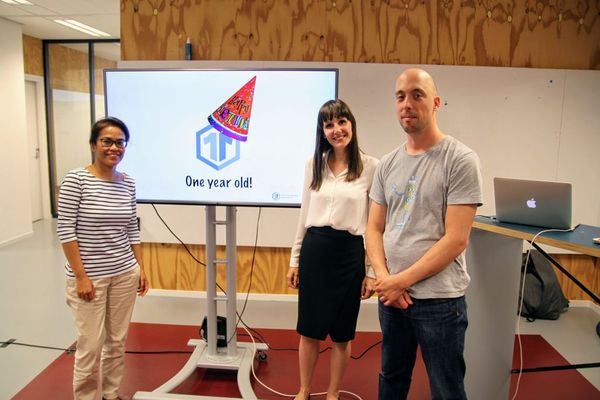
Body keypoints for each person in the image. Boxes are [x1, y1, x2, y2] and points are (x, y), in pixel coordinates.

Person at [366, 68, 483, 400]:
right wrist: (385, 277)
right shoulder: (387, 164)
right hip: (392, 298)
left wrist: (399, 281)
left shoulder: (460, 160)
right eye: (400, 96)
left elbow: (456, 239)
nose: (407, 103)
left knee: (446, 388)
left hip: (439, 301)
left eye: (417, 95)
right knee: (392, 378)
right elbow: (373, 229)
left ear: (435, 103)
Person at [287, 99, 379, 400]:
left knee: (342, 334)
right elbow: (304, 215)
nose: (337, 129)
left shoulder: (371, 167)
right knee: (309, 330)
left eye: (342, 122)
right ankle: (303, 390)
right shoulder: (312, 165)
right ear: (322, 131)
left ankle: (333, 393)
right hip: (315, 252)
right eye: (329, 124)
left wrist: (371, 271)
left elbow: (374, 225)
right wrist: (294, 260)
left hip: (348, 255)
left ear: (351, 124)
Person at [57, 117, 149, 400]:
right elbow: (66, 230)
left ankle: (111, 395)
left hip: (124, 273)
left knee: (116, 342)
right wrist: (81, 277)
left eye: (120, 142)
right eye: (106, 141)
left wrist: (140, 268)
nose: (114, 147)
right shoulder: (77, 180)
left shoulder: (128, 182)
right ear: (93, 145)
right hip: (90, 278)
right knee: (90, 346)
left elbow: (131, 228)